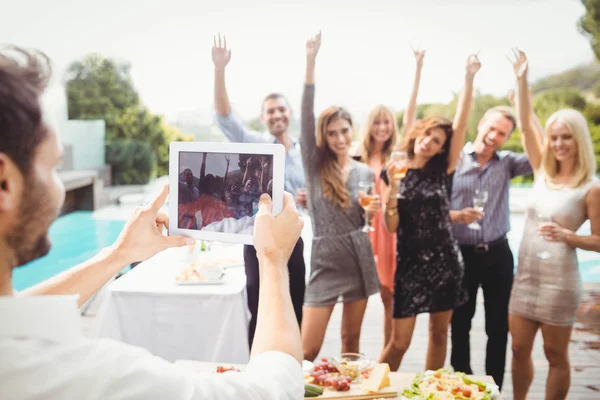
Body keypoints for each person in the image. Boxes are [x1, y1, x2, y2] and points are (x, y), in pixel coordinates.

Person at [0, 46, 306, 400]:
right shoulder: (83, 376)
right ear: (5, 182)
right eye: (54, 167)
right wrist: (273, 261)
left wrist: (118, 255)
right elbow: (273, 390)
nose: (58, 189)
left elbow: (20, 312)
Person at [379, 53, 481, 372]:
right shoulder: (394, 167)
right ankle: (369, 391)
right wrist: (419, 68)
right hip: (409, 265)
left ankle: (429, 392)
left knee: (439, 335)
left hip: (445, 261)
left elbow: (462, 123)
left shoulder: (443, 170)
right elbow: (392, 225)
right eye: (426, 135)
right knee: (399, 343)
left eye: (436, 141)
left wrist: (468, 77)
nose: (427, 142)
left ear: (441, 148)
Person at [508, 50, 600, 400]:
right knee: (517, 349)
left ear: (579, 140)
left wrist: (568, 236)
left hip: (561, 281)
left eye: (567, 137)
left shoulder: (591, 187)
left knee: (555, 355)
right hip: (527, 276)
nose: (559, 143)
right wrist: (521, 79)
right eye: (555, 137)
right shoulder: (542, 172)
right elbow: (525, 120)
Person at [212, 34, 306, 349]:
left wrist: (306, 201)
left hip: (293, 238)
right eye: (270, 112)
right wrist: (220, 69)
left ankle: (291, 377)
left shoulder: (304, 152)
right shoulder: (255, 144)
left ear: (289, 113)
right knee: (259, 307)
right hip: (257, 241)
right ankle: (259, 378)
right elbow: (226, 119)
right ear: (263, 118)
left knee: (294, 309)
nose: (277, 115)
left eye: (282, 109)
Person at [449, 68, 539, 390]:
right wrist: (455, 215)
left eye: (502, 133)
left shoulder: (509, 163)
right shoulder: (453, 162)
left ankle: (492, 388)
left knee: (498, 328)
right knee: (459, 325)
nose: (494, 136)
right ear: (480, 124)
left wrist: (525, 109)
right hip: (461, 255)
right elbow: (436, 211)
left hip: (498, 255)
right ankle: (461, 386)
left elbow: (542, 153)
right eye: (492, 128)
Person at [299, 32, 381, 361]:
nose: (339, 138)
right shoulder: (314, 165)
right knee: (308, 348)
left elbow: (368, 218)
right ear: (323, 136)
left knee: (351, 341)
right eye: (331, 133)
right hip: (325, 259)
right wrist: (310, 61)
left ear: (352, 130)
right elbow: (305, 116)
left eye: (344, 130)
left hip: (359, 256)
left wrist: (373, 213)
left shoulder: (365, 173)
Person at [355, 103, 398, 353]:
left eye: (387, 122)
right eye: (377, 122)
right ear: (369, 126)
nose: (382, 128)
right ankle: (353, 356)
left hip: (388, 231)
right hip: (364, 228)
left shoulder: (397, 158)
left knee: (388, 295)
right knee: (358, 295)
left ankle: (386, 354)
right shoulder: (356, 156)